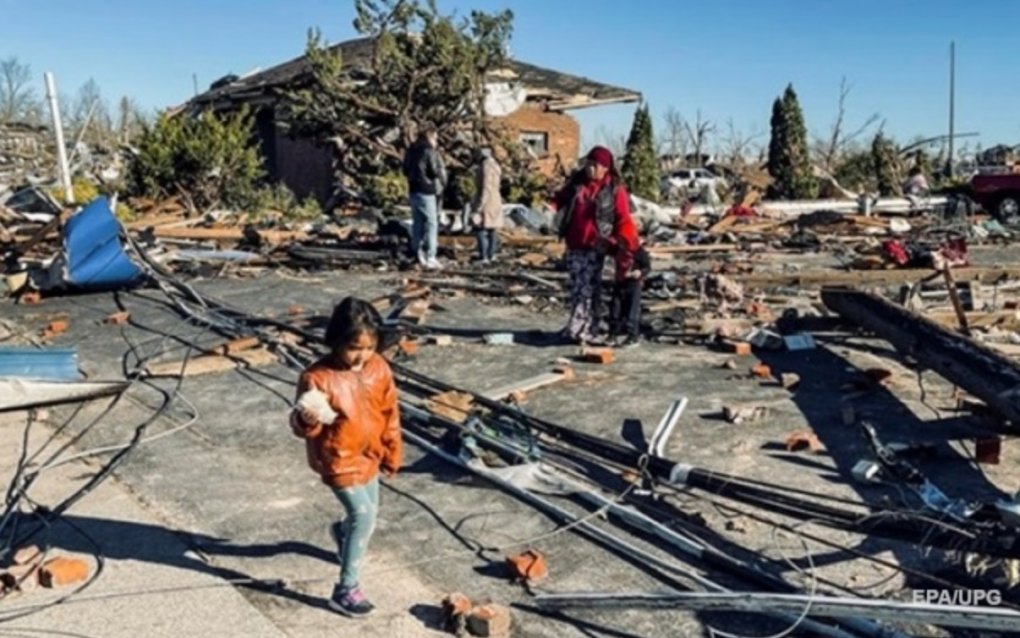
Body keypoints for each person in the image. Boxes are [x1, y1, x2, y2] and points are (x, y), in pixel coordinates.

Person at [289, 297, 402, 617]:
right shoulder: (317, 377)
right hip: (338, 458)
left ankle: (343, 535)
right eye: (354, 347)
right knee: (363, 516)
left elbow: (390, 412)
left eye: (369, 347)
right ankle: (345, 589)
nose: (362, 355)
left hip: (370, 454)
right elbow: (301, 426)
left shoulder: (379, 368)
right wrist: (306, 420)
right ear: (337, 340)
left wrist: (392, 450)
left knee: (369, 515)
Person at [552, 146, 639, 345]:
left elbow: (623, 217)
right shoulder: (577, 184)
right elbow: (560, 199)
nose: (591, 169)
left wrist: (622, 242)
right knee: (578, 287)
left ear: (606, 168)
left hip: (601, 245)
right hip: (575, 243)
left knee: (592, 288)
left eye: (596, 166)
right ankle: (579, 327)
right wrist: (552, 206)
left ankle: (590, 328)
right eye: (589, 164)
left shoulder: (614, 189)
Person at [403, 125, 446, 270]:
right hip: (426, 190)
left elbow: (405, 169)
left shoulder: (410, 150)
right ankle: (431, 256)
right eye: (436, 139)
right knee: (432, 223)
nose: (437, 142)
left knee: (418, 223)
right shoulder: (429, 150)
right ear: (431, 137)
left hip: (413, 189)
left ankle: (417, 253)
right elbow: (433, 170)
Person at [610, 244, 651, 348]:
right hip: (620, 282)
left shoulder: (638, 250)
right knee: (615, 308)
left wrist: (640, 272)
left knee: (632, 310)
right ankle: (613, 334)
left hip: (633, 283)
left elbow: (647, 266)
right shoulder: (617, 248)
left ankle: (633, 336)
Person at [472, 147, 503, 264]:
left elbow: (486, 187)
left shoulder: (485, 166)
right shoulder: (496, 165)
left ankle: (484, 256)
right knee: (492, 229)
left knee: (480, 227)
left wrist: (479, 206)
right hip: (496, 199)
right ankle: (492, 254)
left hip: (487, 199)